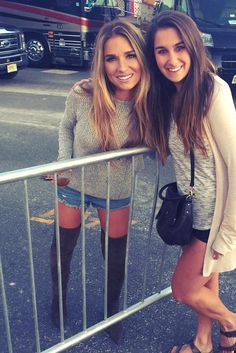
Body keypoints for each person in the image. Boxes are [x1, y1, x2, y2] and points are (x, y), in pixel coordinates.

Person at [49, 18, 150, 344]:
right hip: (75, 184)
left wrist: (135, 157)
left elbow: (163, 144)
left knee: (115, 256)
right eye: (111, 58)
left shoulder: (149, 102)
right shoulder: (83, 93)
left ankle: (111, 312)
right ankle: (58, 301)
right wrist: (64, 162)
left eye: (130, 55)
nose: (122, 66)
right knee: (62, 249)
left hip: (116, 190)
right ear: (101, 61)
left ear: (141, 57)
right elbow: (66, 128)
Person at [145, 10, 236, 353]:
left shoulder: (212, 90)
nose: (171, 59)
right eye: (162, 50)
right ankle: (204, 341)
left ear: (194, 47)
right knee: (207, 279)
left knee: (183, 289)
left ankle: (231, 322)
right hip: (189, 210)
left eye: (179, 47)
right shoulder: (167, 95)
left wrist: (227, 234)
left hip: (212, 217)